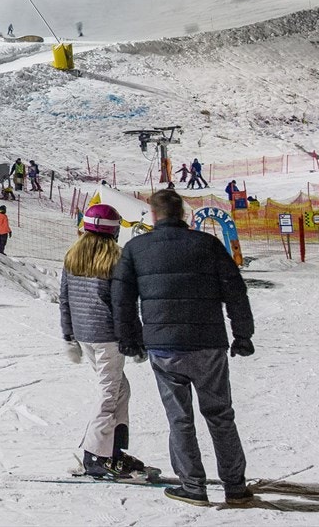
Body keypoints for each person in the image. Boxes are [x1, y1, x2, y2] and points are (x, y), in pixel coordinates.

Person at [113, 189, 255, 507]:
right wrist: (242, 335)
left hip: (165, 347)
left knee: (179, 417)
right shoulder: (208, 244)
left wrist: (129, 339)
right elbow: (235, 290)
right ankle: (235, 486)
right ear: (183, 214)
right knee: (220, 415)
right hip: (208, 345)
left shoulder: (136, 248)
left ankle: (193, 486)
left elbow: (122, 299)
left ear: (153, 215)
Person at [60, 203, 149, 479]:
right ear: (114, 231)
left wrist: (69, 336)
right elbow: (124, 306)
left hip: (85, 335)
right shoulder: (116, 260)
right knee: (109, 394)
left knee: (120, 389)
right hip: (108, 337)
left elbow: (64, 299)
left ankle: (113, 450)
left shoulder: (72, 256)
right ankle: (95, 456)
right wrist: (135, 339)